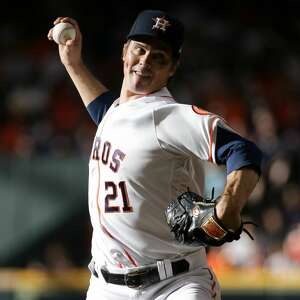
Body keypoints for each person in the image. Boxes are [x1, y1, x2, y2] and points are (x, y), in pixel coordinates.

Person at [48, 10, 262, 300]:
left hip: (175, 284)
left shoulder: (171, 116)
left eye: (159, 57)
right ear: (125, 52)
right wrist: (73, 64)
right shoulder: (117, 112)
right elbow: (104, 109)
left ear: (172, 68)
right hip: (106, 287)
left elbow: (241, 149)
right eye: (140, 49)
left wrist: (229, 205)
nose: (145, 61)